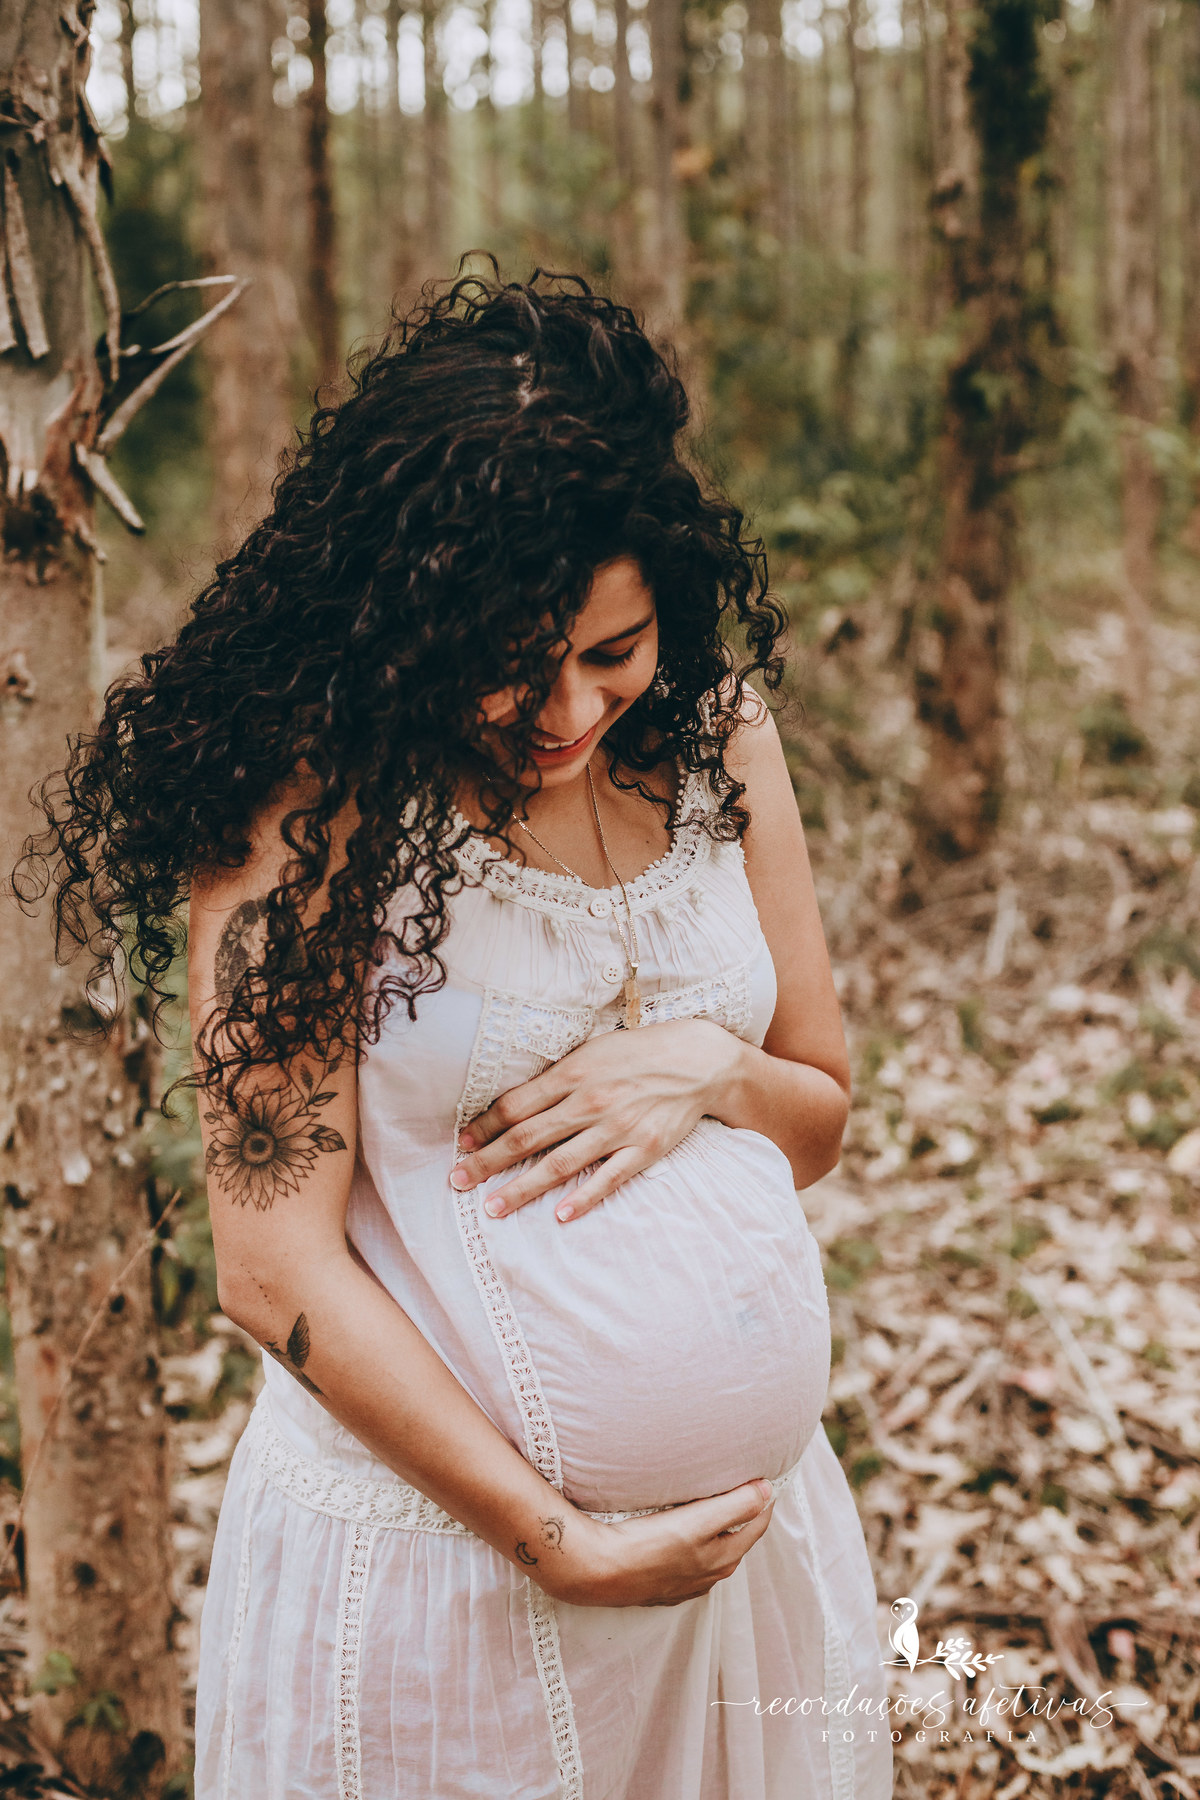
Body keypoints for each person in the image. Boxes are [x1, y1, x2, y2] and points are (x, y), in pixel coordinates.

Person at [34, 274, 891, 1799]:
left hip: (745, 1572)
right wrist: (556, 1539)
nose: (568, 708)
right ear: (408, 617)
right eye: (511, 659)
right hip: (449, 1583)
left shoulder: (718, 737)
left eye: (613, 650)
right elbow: (268, 1263)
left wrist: (710, 1067)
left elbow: (818, 1113)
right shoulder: (311, 815)